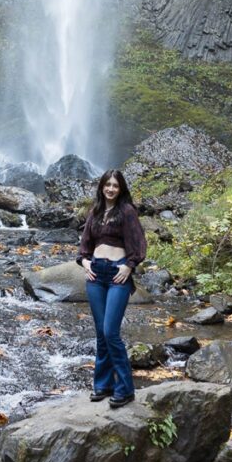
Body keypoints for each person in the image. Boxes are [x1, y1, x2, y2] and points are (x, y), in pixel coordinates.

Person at [77, 169, 147, 409]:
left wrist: (129, 266)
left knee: (110, 332)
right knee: (100, 333)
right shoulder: (95, 212)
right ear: (101, 187)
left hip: (118, 274)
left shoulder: (127, 212)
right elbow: (85, 244)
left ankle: (125, 388)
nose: (110, 189)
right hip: (95, 274)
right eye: (107, 185)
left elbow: (138, 243)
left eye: (115, 185)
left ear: (121, 189)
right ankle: (103, 385)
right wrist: (85, 262)